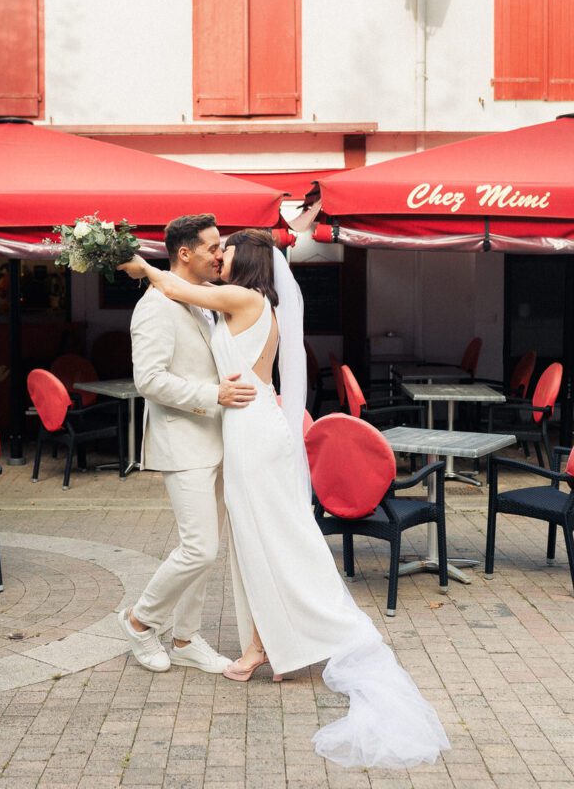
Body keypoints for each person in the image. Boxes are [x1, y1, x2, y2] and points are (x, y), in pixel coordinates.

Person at [118, 229, 450, 769]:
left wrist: (138, 265)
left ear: (242, 261)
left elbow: (174, 287)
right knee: (254, 542)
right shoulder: (244, 304)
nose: (217, 255)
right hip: (244, 430)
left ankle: (259, 641)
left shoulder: (242, 298)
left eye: (223, 250)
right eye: (211, 248)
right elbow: (170, 359)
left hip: (250, 434)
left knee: (266, 539)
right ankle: (259, 643)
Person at [117, 214, 257, 675]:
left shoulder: (203, 302)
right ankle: (141, 622)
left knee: (206, 547)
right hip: (183, 443)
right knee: (198, 548)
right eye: (214, 247)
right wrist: (211, 395)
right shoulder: (155, 305)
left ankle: (185, 637)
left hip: (221, 440)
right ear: (184, 253)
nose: (220, 255)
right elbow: (149, 380)